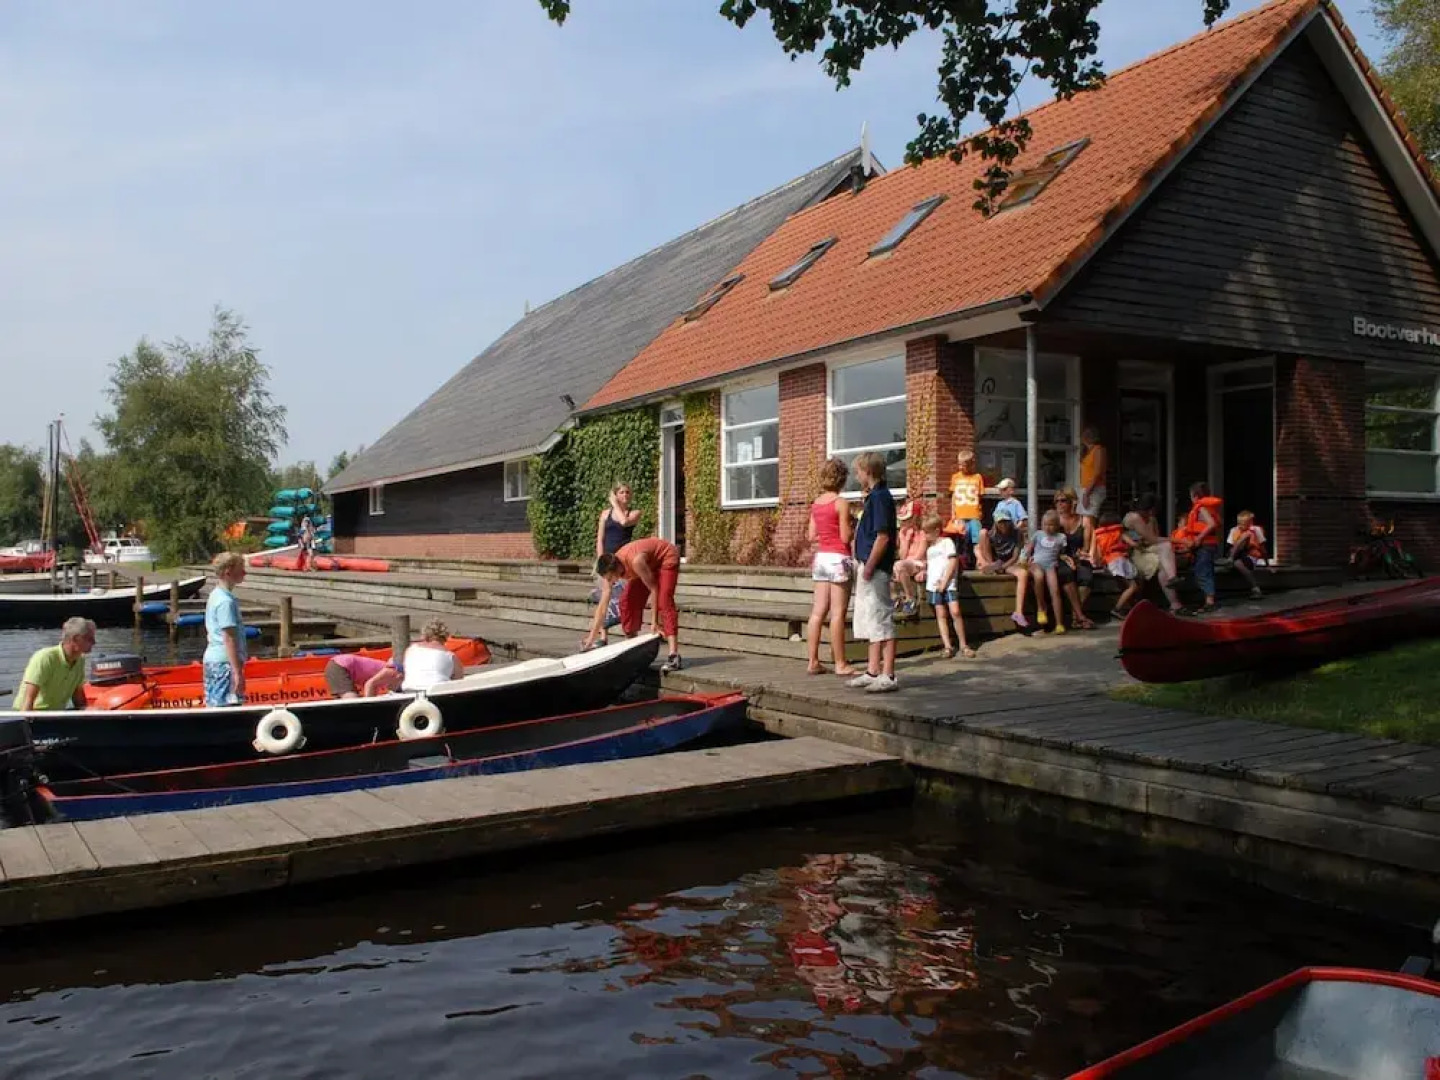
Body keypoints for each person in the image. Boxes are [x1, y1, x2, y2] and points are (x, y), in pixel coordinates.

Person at [584, 536, 683, 672]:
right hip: (648, 563)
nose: (611, 582)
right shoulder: (612, 568)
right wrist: (591, 638)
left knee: (664, 600)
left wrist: (655, 622)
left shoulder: (636, 562)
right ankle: (632, 647)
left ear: (616, 569)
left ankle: (674, 655)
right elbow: (602, 608)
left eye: (610, 578)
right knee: (626, 601)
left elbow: (654, 589)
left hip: (666, 556)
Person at [846, 452, 899, 693]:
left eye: (858, 471)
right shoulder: (872, 497)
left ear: (868, 471)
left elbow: (883, 536)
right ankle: (872, 669)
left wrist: (869, 565)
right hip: (866, 564)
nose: (857, 476)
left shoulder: (880, 498)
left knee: (881, 616)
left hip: (875, 567)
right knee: (870, 618)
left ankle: (888, 674)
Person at [805, 457, 858, 677]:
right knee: (837, 613)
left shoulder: (816, 503)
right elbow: (845, 537)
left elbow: (811, 535)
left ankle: (813, 661)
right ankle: (840, 663)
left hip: (821, 558)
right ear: (842, 479)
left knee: (818, 612)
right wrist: (853, 526)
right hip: (838, 557)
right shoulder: (841, 503)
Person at [591, 482, 642, 646]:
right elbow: (600, 538)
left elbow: (623, 522)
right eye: (621, 492)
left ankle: (630, 633)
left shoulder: (634, 513)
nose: (625, 495)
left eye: (627, 492)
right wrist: (600, 559)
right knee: (604, 596)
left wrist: (615, 503)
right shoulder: (605, 514)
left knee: (626, 597)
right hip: (607, 561)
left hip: (623, 562)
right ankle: (603, 636)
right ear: (616, 494)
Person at [14, 616, 96, 710]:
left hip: (55, 714)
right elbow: (28, 701)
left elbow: (78, 700)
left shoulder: (80, 661)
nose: (94, 642)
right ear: (76, 639)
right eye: (90, 639)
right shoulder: (46, 657)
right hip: (34, 713)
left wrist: (90, 711)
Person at [922, 513, 974, 659]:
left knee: (955, 612)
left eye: (927, 532)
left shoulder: (947, 543)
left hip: (948, 583)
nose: (925, 536)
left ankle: (963, 644)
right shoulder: (929, 549)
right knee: (941, 614)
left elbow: (952, 562)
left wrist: (945, 581)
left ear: (936, 530)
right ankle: (947, 646)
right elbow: (932, 566)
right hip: (933, 585)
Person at [1124, 494, 1184, 614]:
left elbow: (1155, 538)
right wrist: (1180, 540)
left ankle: (1174, 599)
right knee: (1165, 553)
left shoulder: (1152, 519)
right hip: (1136, 553)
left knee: (1165, 554)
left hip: (1149, 549)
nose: (1152, 513)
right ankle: (1173, 591)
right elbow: (1152, 539)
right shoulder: (1133, 517)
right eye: (1151, 510)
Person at [203, 552, 248, 707]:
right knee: (227, 706)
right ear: (228, 572)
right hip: (224, 663)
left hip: (214, 659)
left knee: (215, 704)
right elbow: (229, 638)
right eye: (240, 569)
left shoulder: (215, 594)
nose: (244, 573)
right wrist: (237, 671)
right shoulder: (225, 602)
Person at [1174, 481, 1224, 614]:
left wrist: (1199, 538)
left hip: (1205, 545)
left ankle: (1210, 601)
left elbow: (1211, 524)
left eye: (1191, 496)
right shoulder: (1208, 508)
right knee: (1204, 570)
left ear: (1195, 496)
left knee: (1203, 572)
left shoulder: (1201, 508)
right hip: (1207, 545)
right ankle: (1208, 599)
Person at [976, 505, 1029, 627]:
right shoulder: (991, 534)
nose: (1003, 525)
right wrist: (988, 563)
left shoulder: (1017, 533)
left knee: (1023, 573)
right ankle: (989, 566)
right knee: (982, 533)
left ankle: (1018, 612)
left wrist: (1003, 567)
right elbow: (979, 548)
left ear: (1010, 521)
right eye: (1000, 522)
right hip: (994, 561)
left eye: (1006, 522)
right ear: (996, 523)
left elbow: (1015, 557)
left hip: (1009, 562)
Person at [1054, 488, 1096, 630]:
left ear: (1072, 502)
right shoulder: (1054, 520)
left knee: (1086, 577)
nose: (1059, 504)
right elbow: (1049, 545)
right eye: (1057, 501)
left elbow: (1086, 546)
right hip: (1060, 557)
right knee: (1067, 573)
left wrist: (1082, 554)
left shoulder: (1084, 520)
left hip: (1079, 557)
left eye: (1063, 500)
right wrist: (1063, 557)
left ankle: (1075, 617)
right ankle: (1079, 617)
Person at [1026, 509, 1069, 634]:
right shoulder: (1038, 534)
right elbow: (1029, 548)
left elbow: (1061, 553)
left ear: (1057, 525)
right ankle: (1041, 607)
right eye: (1045, 524)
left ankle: (1059, 623)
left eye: (1051, 525)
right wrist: (1025, 558)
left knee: (1055, 590)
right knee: (1039, 577)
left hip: (1051, 565)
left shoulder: (1061, 537)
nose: (1047, 527)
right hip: (1037, 563)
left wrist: (1065, 558)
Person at [1092, 512, 1142, 616]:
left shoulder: (1098, 536)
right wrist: (1140, 543)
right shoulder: (1120, 533)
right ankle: (1117, 609)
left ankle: (1130, 607)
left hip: (1111, 563)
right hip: (1120, 562)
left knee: (1124, 587)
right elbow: (1133, 544)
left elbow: (1099, 555)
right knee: (1133, 587)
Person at [402, 619, 465, 691]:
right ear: (444, 637)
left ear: (425, 635)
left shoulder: (410, 650)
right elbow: (458, 682)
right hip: (436, 692)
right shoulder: (451, 656)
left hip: (409, 690)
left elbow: (406, 670)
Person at [892, 499, 928, 617]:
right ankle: (895, 597)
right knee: (889, 566)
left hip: (920, 563)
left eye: (907, 519)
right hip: (907, 563)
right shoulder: (905, 532)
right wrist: (905, 539)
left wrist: (905, 563)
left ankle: (910, 598)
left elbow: (920, 554)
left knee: (899, 566)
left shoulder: (923, 532)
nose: (903, 522)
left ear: (915, 518)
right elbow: (902, 555)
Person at [945, 449, 985, 552]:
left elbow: (980, 497)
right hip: (960, 515)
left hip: (974, 514)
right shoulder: (955, 477)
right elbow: (954, 496)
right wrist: (953, 513)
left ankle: (979, 559)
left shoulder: (977, 477)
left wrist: (980, 512)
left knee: (977, 541)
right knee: (960, 541)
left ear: (971, 465)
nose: (960, 467)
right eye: (959, 465)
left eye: (964, 465)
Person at [1227, 510, 1268, 599]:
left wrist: (1267, 564)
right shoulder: (1234, 530)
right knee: (1237, 562)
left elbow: (1263, 549)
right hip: (1237, 554)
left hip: (1250, 556)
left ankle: (1256, 589)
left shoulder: (1255, 530)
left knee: (1245, 537)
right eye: (1240, 523)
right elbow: (1231, 546)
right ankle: (1230, 559)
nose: (1241, 526)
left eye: (1244, 523)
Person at [324, 653, 403, 699]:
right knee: (353, 701)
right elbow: (369, 684)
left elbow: (372, 691)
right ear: (399, 677)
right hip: (340, 665)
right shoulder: (391, 671)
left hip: (339, 665)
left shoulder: (386, 677)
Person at [1078, 427, 1108, 520]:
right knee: (1083, 519)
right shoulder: (1087, 452)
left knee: (1088, 519)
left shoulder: (1098, 450)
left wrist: (1087, 494)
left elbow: (1097, 473)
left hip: (1094, 488)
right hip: (1086, 488)